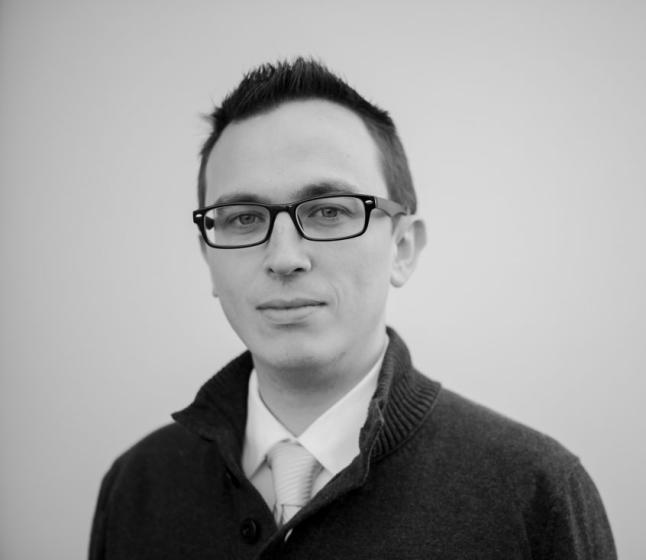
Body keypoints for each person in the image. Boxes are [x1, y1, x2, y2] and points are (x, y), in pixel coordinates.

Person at [89, 57, 617, 559]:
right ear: (209, 258)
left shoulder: (533, 494)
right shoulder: (138, 486)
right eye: (244, 219)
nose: (284, 258)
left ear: (402, 248)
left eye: (329, 212)